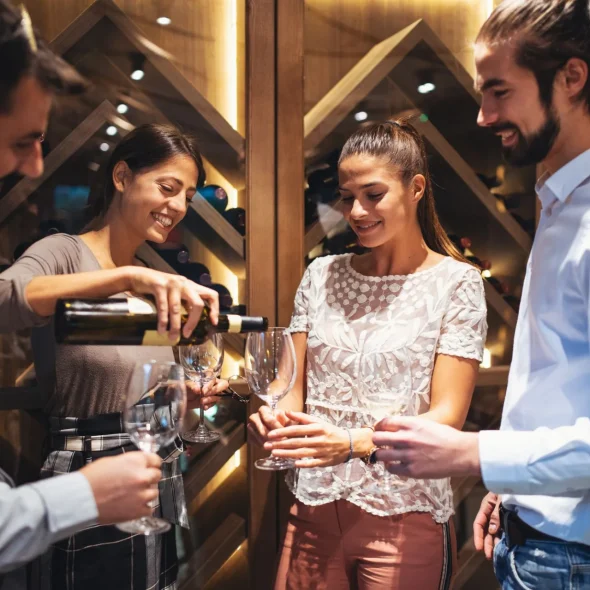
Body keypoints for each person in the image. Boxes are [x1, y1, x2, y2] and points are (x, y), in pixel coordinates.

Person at [374, 0, 590, 587]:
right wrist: (516, 482)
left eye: (499, 92)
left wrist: (476, 455)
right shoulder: (560, 199)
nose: (482, 116)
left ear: (572, 78)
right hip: (537, 537)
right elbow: (563, 380)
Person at [248, 119, 488, 589]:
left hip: (405, 517)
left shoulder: (457, 283)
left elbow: (447, 417)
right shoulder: (321, 274)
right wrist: (272, 418)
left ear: (416, 188)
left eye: (373, 195)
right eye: (346, 196)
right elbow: (288, 386)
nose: (356, 211)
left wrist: (356, 443)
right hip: (312, 511)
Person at [0, 2, 189, 588]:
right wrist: (122, 281)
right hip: (88, 466)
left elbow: (144, 375)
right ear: (121, 176)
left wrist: (186, 386)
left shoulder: (154, 272)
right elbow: (10, 293)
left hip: (154, 467)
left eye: (190, 194)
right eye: (169, 186)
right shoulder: (66, 252)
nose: (179, 205)